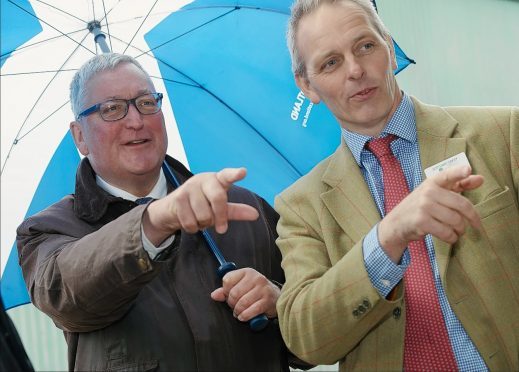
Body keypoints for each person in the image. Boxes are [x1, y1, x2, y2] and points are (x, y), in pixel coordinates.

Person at [275, 0, 519, 371]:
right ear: (307, 85)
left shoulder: (504, 134)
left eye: (365, 46)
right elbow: (307, 340)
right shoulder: (300, 207)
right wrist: (386, 239)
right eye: (331, 62)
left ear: (389, 48)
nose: (355, 70)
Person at [16, 53, 299, 371]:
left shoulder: (243, 208)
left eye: (146, 102)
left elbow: (315, 343)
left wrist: (281, 303)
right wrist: (156, 221)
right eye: (112, 108)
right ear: (79, 135)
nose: (135, 120)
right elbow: (69, 297)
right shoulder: (47, 231)